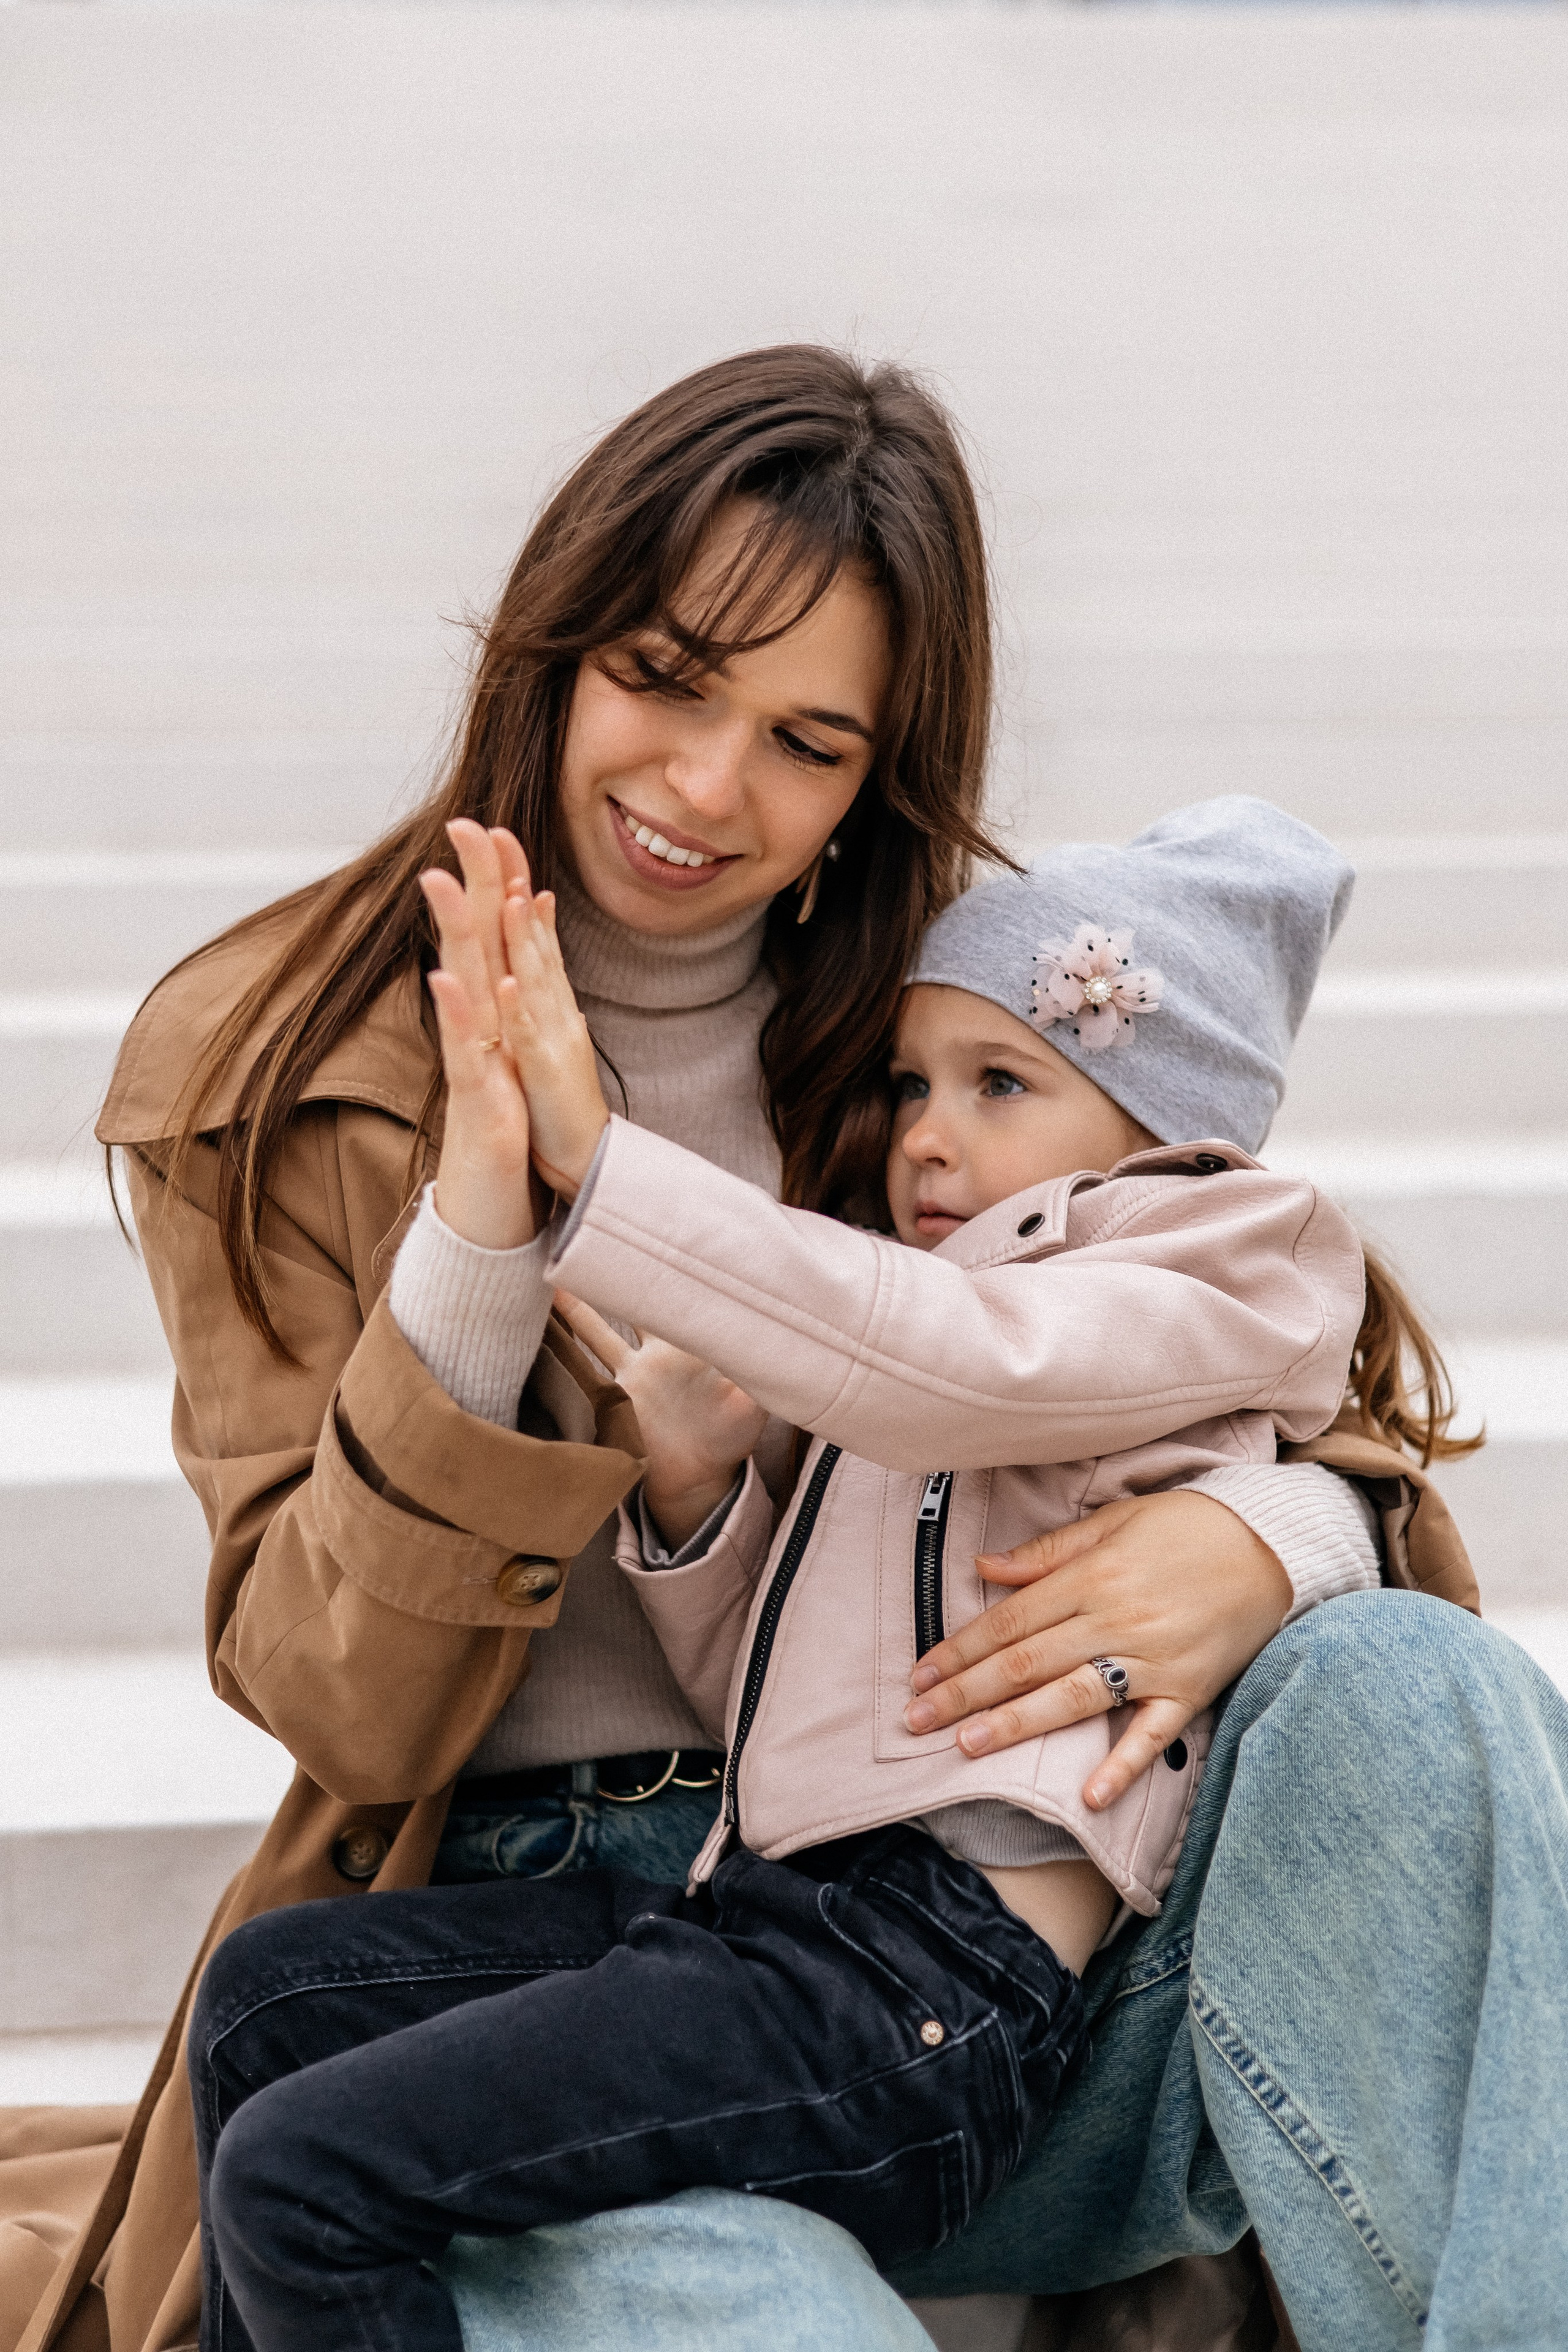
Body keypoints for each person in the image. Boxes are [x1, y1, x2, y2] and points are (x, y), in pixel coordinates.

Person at [0, 347, 1534, 2352]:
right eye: (663, 675)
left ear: (870, 785)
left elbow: (1232, 1368)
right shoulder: (277, 1066)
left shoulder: (950, 1045)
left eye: (807, 741)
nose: (709, 787)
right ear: (554, 645)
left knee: (1415, 1680)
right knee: (721, 2298)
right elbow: (341, 1706)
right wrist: (483, 1227)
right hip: (585, 1926)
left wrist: (1275, 1547)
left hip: (1004, 1954)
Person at [186, 798, 1388, 2350]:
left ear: (1165, 1128)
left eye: (998, 1081)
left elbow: (947, 1362)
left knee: (305, 2176)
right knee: (269, 1995)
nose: (926, 1134)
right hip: (769, 1916)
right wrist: (695, 1500)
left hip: (930, 1986)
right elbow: (789, 1704)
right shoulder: (947, 1331)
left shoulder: (1214, 1263)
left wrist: (594, 1159)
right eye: (909, 1084)